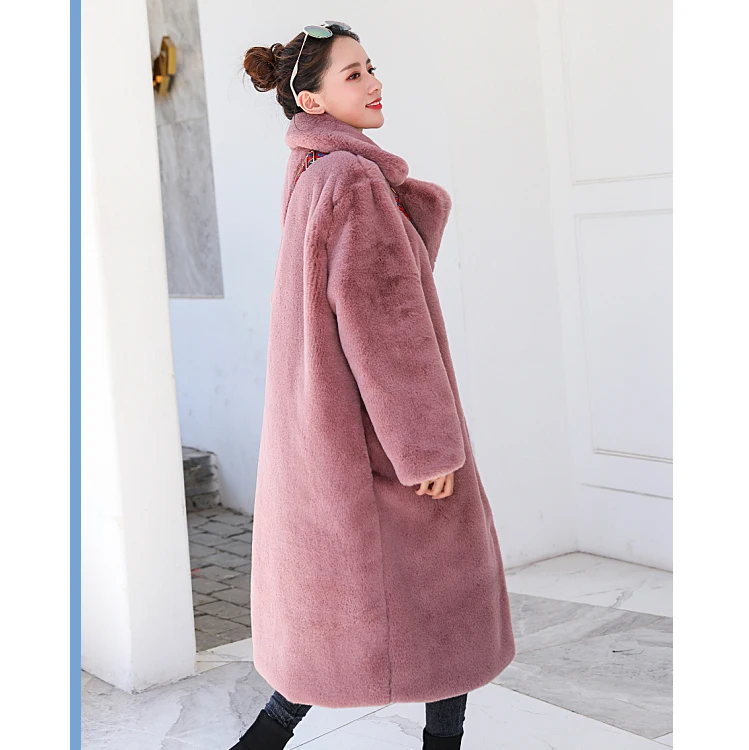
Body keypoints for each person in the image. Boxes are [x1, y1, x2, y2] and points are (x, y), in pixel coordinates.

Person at [231, 20, 516, 750]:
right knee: (442, 603)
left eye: (371, 67)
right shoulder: (353, 180)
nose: (375, 83)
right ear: (311, 100)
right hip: (385, 442)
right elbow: (386, 326)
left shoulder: (314, 175)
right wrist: (427, 449)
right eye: (353, 74)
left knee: (351, 620)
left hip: (334, 438)